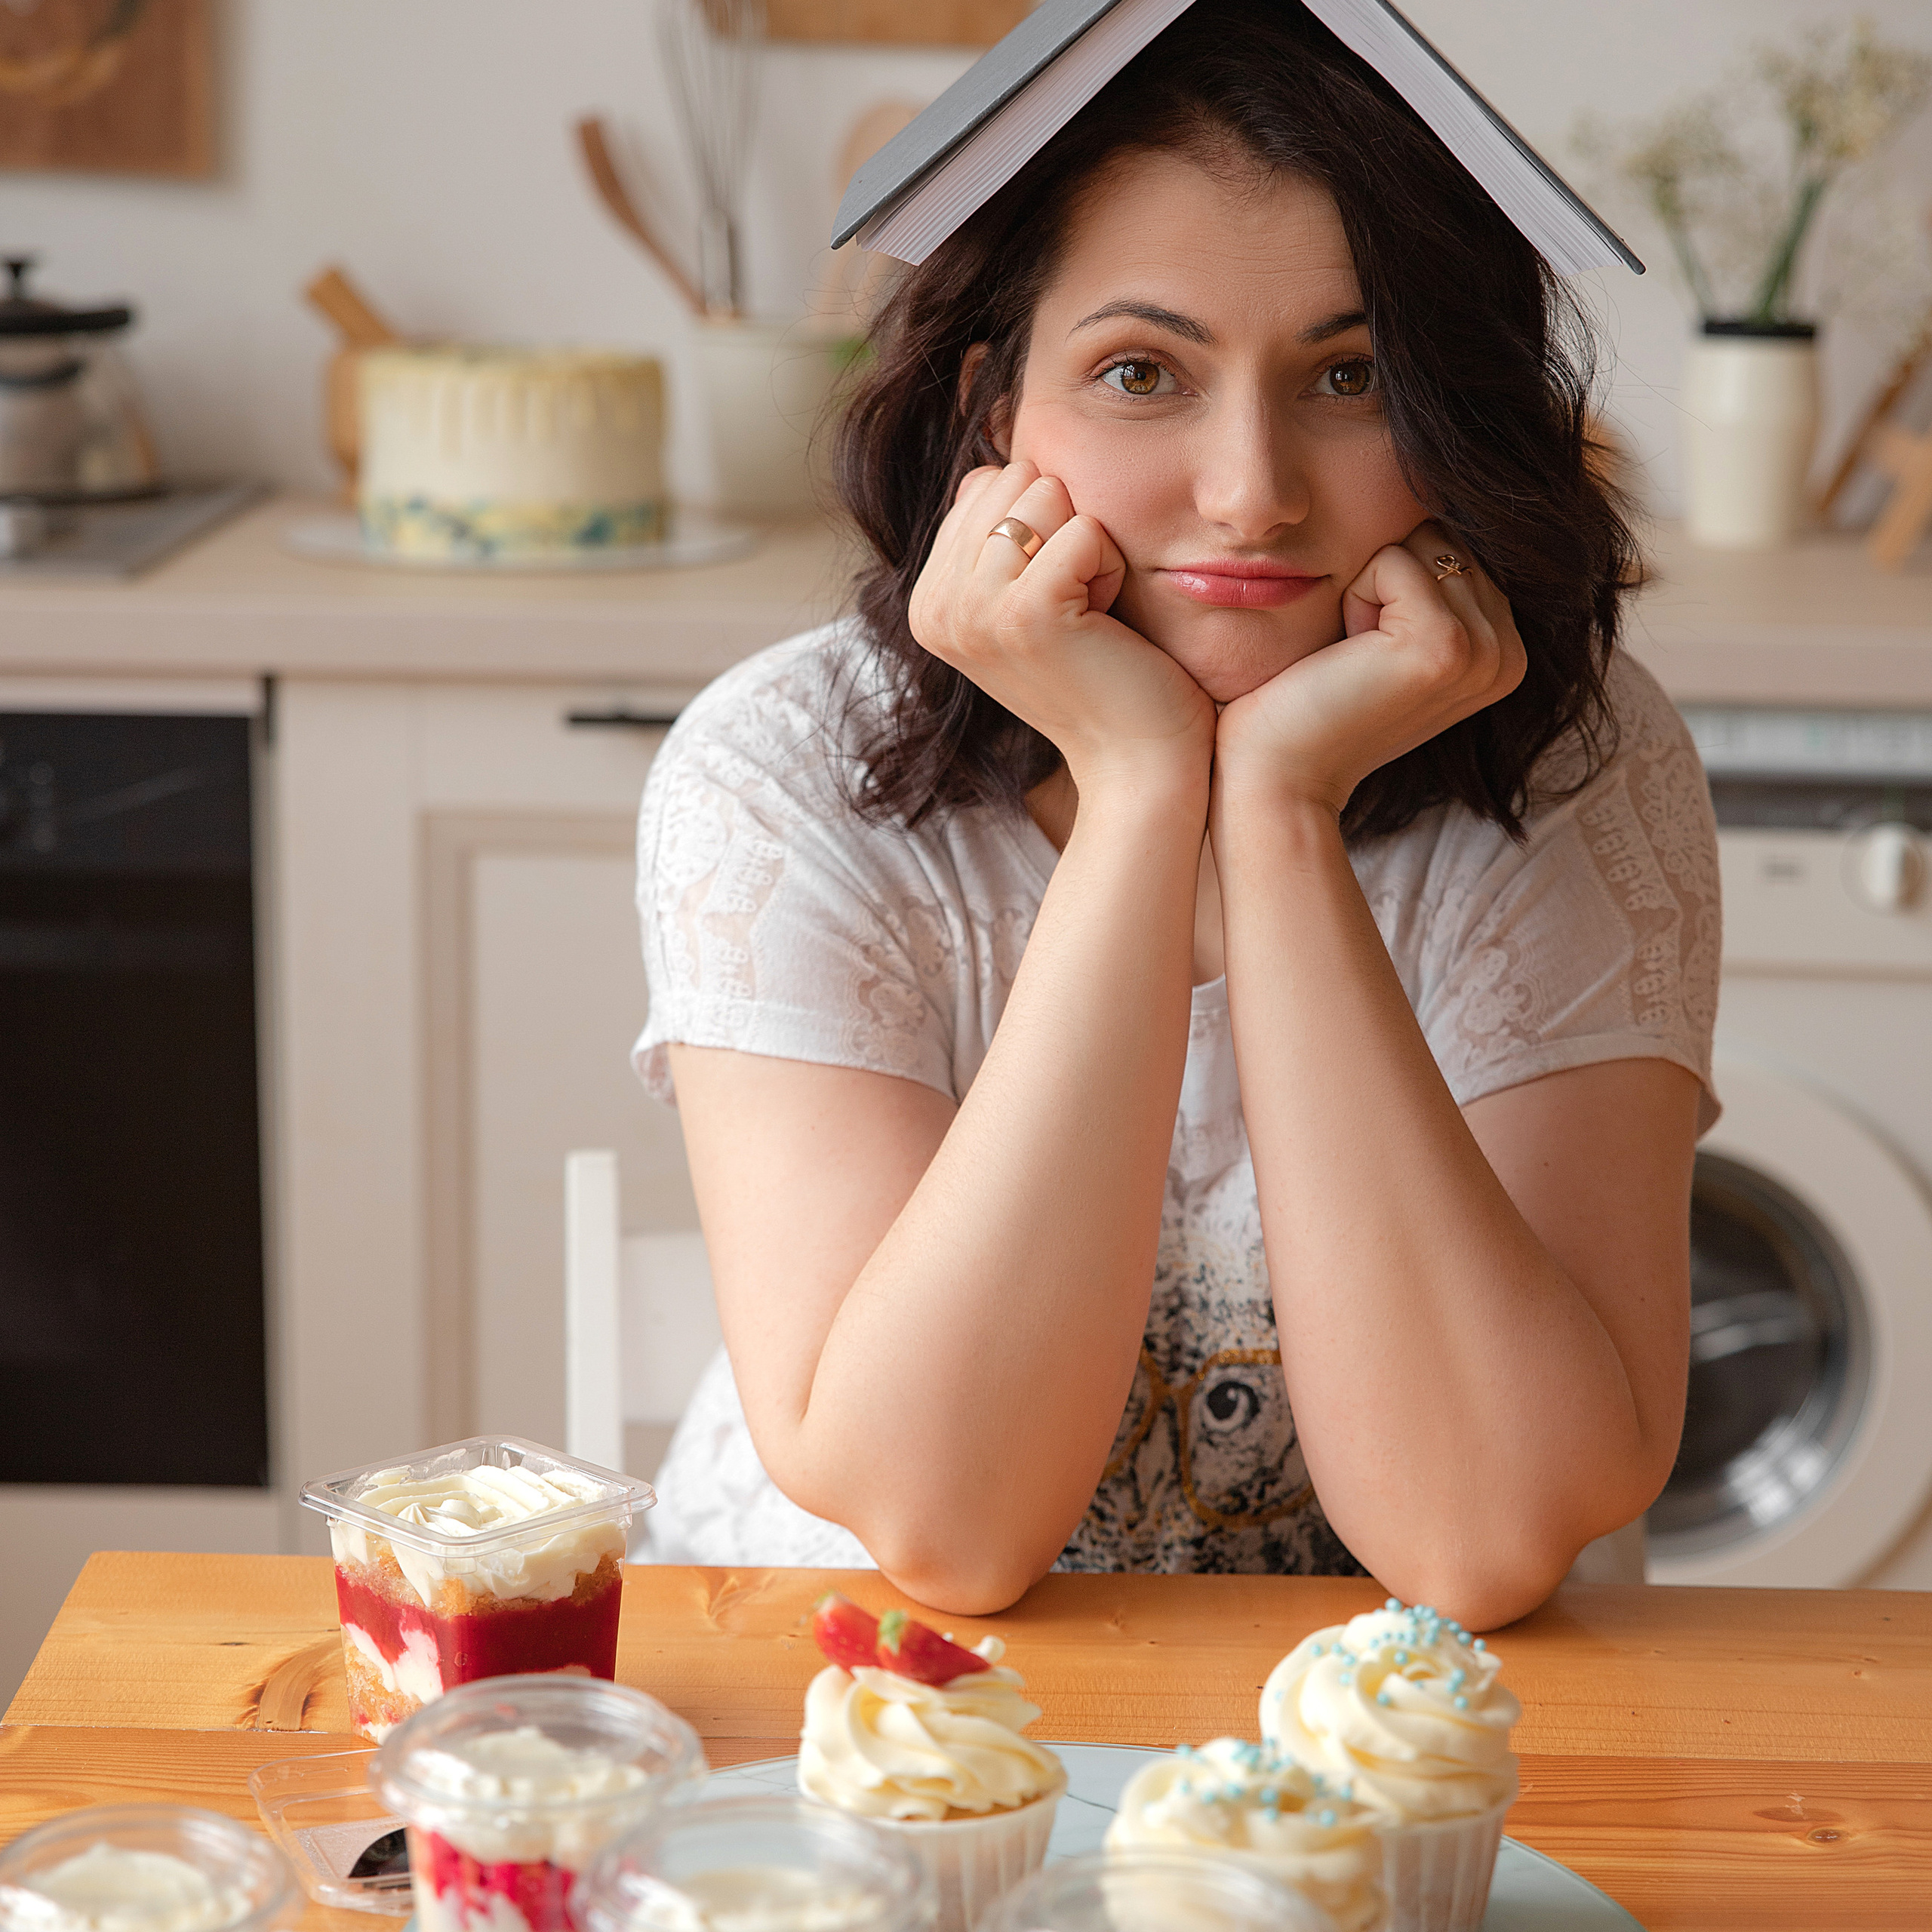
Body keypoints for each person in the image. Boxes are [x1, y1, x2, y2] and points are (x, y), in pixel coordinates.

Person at [632, 0, 1718, 1629]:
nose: (1249, 489)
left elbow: (1479, 1539)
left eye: (1347, 375)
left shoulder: (1575, 763)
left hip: (1393, 1739)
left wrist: (1276, 811)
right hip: (850, 1699)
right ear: (995, 409)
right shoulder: (782, 766)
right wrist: (1148, 789)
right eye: (1141, 372)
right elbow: (952, 1527)